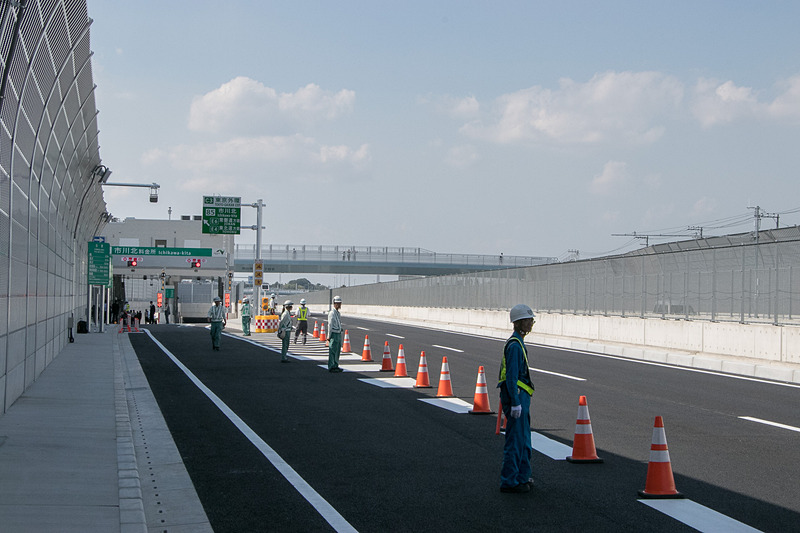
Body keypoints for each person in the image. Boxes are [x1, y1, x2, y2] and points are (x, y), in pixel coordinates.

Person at [498, 304, 536, 493]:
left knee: (524, 440)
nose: (531, 323)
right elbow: (512, 377)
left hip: (521, 396)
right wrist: (515, 402)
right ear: (520, 322)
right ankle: (509, 480)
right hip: (517, 396)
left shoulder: (518, 342)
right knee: (516, 440)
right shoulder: (514, 345)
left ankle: (521, 476)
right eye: (529, 320)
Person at [327, 296, 343, 372]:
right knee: (332, 350)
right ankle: (331, 366)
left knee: (337, 351)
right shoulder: (332, 313)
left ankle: (336, 365)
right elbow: (330, 325)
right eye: (337, 303)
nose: (339, 305)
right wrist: (328, 336)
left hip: (338, 333)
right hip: (333, 333)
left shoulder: (338, 313)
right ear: (334, 303)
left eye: (340, 303)